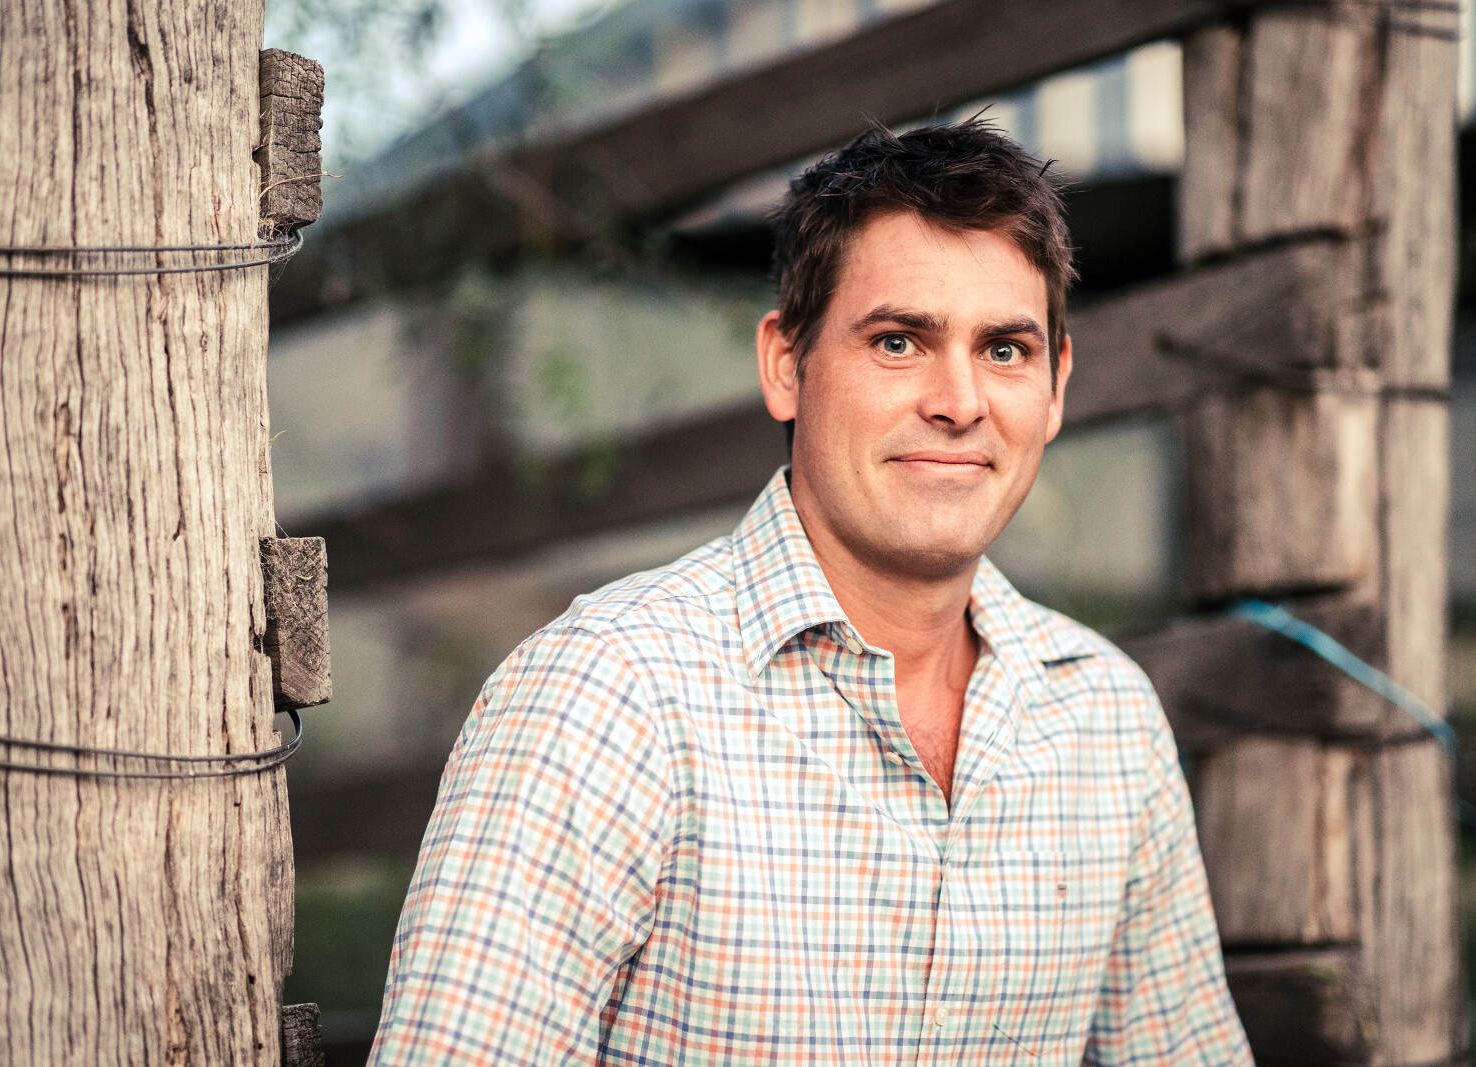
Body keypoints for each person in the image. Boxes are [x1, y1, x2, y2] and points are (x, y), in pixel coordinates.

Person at [369, 120, 1252, 1066]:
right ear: (786, 365)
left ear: (1056, 386)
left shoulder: (1106, 720)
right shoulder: (609, 695)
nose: (960, 402)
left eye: (1004, 350)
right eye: (899, 341)